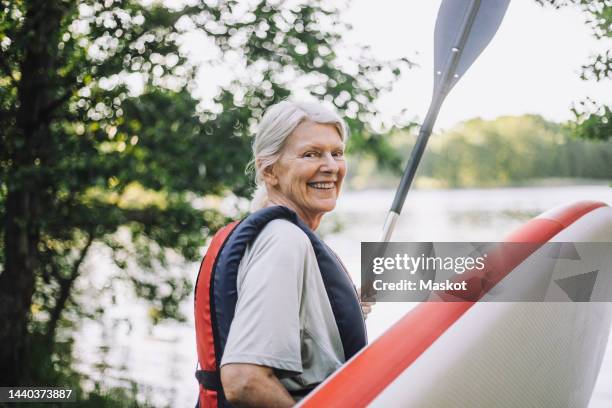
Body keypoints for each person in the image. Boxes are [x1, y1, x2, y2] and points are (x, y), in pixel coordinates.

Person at [194, 100, 372, 408]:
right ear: (270, 171)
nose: (331, 166)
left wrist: (342, 308)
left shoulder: (271, 234)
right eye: (311, 154)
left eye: (337, 153)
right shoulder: (283, 240)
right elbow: (244, 379)